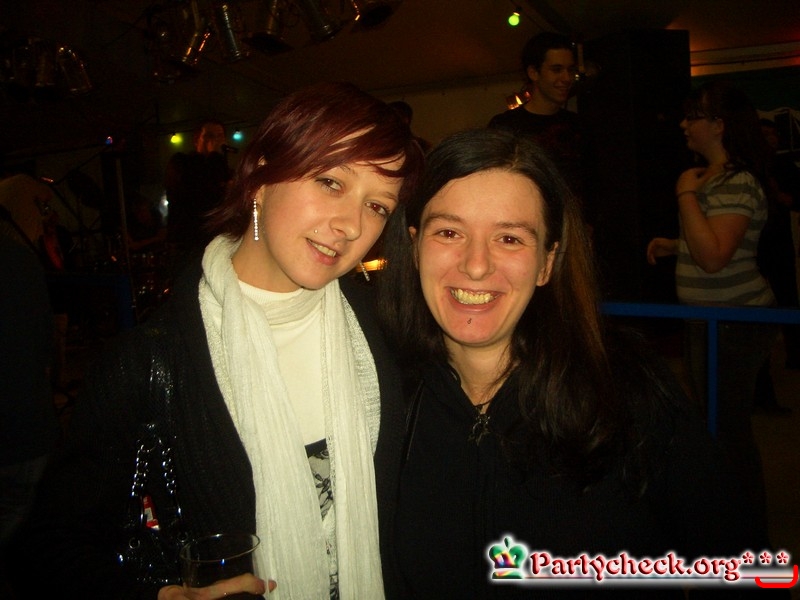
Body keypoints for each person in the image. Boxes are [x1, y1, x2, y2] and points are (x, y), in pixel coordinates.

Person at [7, 81, 424, 600]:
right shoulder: (151, 360)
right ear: (261, 177)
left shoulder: (383, 333)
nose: (351, 226)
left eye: (377, 206)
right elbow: (48, 546)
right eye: (331, 182)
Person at [378, 128, 773, 599]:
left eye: (509, 238)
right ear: (414, 246)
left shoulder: (627, 390)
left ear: (548, 262)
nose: (476, 265)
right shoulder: (384, 395)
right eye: (449, 232)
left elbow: (745, 567)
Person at [646, 81, 777, 535]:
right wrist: (675, 245)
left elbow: (715, 256)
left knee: (728, 431)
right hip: (712, 319)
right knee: (717, 424)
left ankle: (749, 538)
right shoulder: (716, 178)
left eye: (693, 116)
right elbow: (716, 241)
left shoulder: (735, 180)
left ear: (718, 125)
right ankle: (734, 525)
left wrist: (684, 194)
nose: (684, 124)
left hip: (735, 321)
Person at [488, 32, 595, 230]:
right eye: (556, 70)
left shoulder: (580, 125)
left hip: (573, 231)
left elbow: (592, 185)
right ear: (533, 73)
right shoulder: (505, 126)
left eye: (570, 70)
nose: (566, 78)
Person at [164, 118, 233, 276]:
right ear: (197, 140)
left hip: (216, 241)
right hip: (188, 243)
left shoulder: (222, 168)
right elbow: (199, 194)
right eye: (209, 136)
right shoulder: (182, 163)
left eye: (220, 136)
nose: (215, 141)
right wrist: (213, 155)